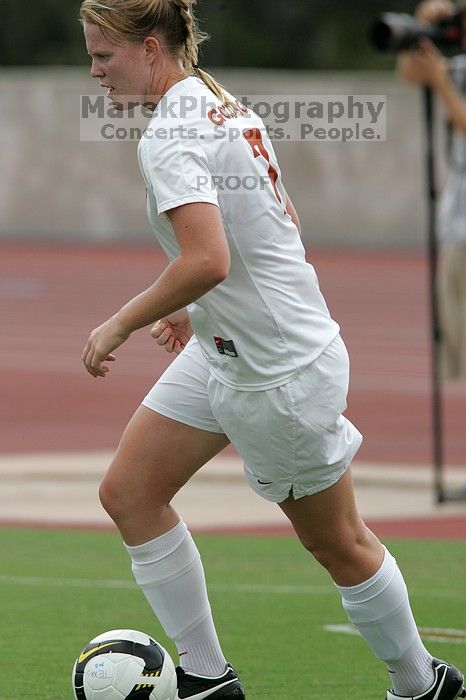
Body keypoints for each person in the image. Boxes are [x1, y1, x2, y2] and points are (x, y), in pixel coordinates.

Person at [80, 1, 465, 698]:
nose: (95, 71)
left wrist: (121, 322)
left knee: (339, 542)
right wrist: (198, 312)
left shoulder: (171, 132)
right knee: (130, 493)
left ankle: (419, 685)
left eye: (105, 57)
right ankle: (207, 680)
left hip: (276, 373)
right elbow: (270, 225)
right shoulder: (217, 99)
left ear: (151, 48)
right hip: (233, 348)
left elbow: (209, 259)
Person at [398, 0, 466, 381]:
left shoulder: (451, 76)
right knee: (456, 347)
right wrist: (418, 31)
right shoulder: (459, 71)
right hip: (457, 223)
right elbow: (410, 73)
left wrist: (441, 80)